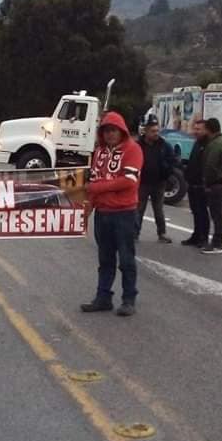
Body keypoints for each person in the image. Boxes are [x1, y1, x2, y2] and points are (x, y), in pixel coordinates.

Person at [81, 112, 143, 317]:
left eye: (113, 130)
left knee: (126, 259)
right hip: (102, 213)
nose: (110, 134)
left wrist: (97, 189)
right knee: (105, 259)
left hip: (124, 213)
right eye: (106, 131)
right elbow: (93, 182)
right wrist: (88, 207)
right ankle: (103, 297)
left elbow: (128, 180)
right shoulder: (98, 152)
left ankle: (129, 299)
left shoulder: (133, 150)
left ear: (122, 130)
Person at [136, 116, 175, 243]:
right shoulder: (138, 145)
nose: (156, 133)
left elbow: (173, 160)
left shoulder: (164, 145)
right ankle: (134, 233)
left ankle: (162, 233)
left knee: (158, 209)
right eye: (153, 131)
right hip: (142, 183)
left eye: (157, 130)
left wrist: (168, 173)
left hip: (159, 182)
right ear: (146, 131)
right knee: (139, 209)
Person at [199, 118, 222, 254]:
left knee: (217, 215)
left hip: (218, 184)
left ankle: (217, 244)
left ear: (208, 129)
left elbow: (210, 166)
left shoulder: (215, 144)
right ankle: (217, 241)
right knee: (218, 214)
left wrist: (207, 183)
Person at [182, 120, 211, 248]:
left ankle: (203, 237)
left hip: (201, 184)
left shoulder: (208, 145)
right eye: (195, 129)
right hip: (192, 183)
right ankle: (196, 235)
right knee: (195, 211)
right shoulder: (197, 143)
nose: (196, 131)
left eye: (199, 129)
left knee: (202, 212)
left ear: (206, 130)